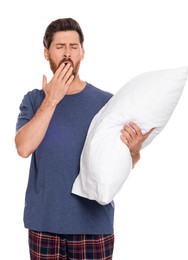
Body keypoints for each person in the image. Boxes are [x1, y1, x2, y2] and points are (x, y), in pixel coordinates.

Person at [15, 18, 153, 260]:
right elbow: (24, 147)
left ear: (83, 52)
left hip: (93, 225)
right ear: (47, 53)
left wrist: (133, 151)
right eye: (60, 47)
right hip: (44, 224)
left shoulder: (107, 103)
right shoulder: (34, 100)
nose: (67, 53)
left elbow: (122, 164)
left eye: (73, 46)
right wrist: (52, 100)